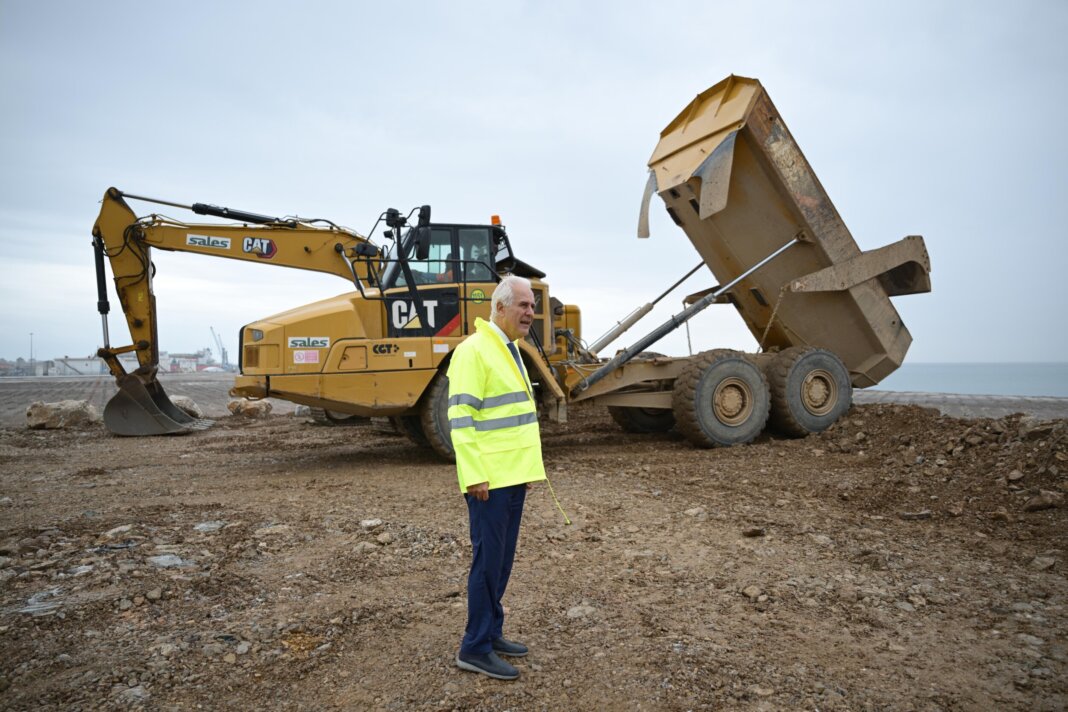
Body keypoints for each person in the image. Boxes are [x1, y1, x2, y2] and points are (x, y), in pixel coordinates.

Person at [447, 275, 545, 681]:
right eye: (523, 304)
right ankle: (475, 646)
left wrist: (523, 472)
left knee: (501, 562)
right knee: (488, 563)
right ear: (500, 307)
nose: (531, 312)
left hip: (511, 476)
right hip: (489, 482)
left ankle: (492, 631)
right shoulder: (474, 351)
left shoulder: (509, 349)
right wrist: (474, 476)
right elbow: (460, 418)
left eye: (532, 305)